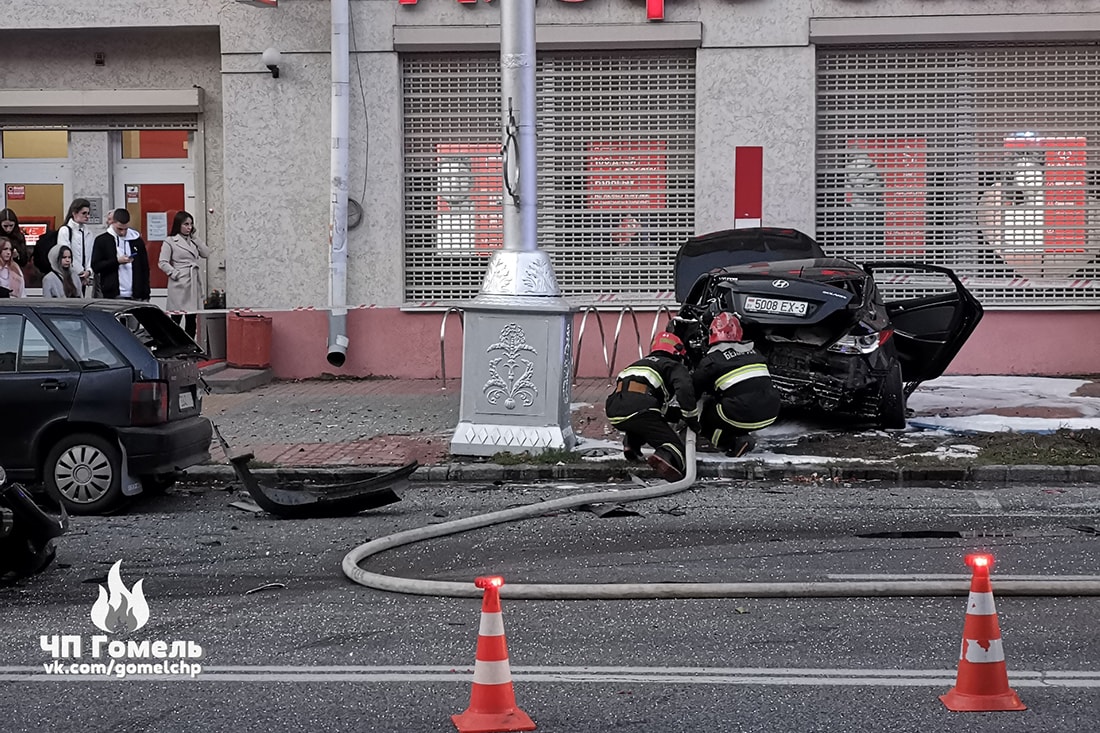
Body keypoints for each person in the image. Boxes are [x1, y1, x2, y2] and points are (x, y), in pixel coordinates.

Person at [605, 331, 700, 482]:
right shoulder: (672, 365)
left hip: (615, 410)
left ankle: (631, 444)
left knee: (644, 421)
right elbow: (684, 389)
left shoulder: (637, 364)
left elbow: (644, 398)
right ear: (677, 352)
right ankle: (666, 455)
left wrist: (676, 414)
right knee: (674, 445)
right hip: (640, 408)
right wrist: (691, 418)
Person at [692, 312, 781, 457]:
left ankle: (728, 444)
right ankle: (740, 434)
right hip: (771, 412)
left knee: (709, 410)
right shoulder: (755, 352)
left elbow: (694, 391)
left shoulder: (712, 360)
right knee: (735, 402)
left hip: (742, 413)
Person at [159, 210, 210, 338]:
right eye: (186, 224)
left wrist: (195, 238)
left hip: (193, 281)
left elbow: (206, 253)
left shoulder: (193, 241)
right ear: (178, 225)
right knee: (176, 318)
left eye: (191, 224)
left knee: (191, 318)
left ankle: (190, 347)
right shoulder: (170, 241)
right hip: (179, 283)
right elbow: (162, 262)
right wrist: (175, 273)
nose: (189, 227)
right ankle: (174, 346)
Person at [91, 209, 150, 301]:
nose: (123, 232)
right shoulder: (102, 240)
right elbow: (96, 266)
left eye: (125, 229)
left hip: (136, 294)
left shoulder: (136, 240)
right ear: (112, 223)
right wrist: (117, 261)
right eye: (119, 229)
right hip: (113, 293)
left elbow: (144, 268)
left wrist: (146, 293)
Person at [56, 198, 94, 294]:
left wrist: (89, 271)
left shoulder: (88, 233)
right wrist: (80, 272)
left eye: (88, 213)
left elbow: (91, 255)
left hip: (84, 277)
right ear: (74, 213)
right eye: (84, 213)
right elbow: (65, 254)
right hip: (70, 276)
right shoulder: (65, 230)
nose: (87, 216)